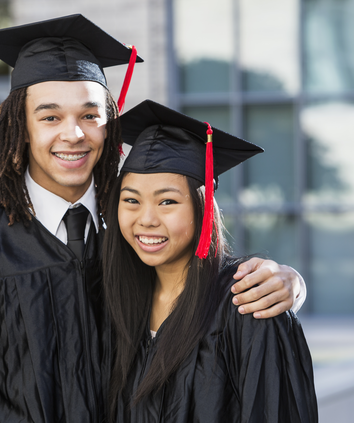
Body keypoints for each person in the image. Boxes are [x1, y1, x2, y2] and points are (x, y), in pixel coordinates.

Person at [0, 15, 308, 422]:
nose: (73, 134)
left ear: (109, 124)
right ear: (21, 126)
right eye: (50, 117)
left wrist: (289, 284)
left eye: (90, 115)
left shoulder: (131, 234)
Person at [103, 100, 318, 422]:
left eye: (167, 201)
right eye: (131, 200)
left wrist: (293, 283)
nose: (146, 219)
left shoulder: (247, 301)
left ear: (202, 208)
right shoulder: (112, 299)